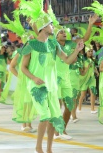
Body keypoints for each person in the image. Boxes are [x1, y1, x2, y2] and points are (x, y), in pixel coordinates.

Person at [21, 13, 84, 153]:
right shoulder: (31, 45)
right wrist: (33, 78)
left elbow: (67, 60)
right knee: (45, 115)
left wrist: (77, 50)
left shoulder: (53, 44)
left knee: (54, 117)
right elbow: (23, 67)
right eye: (50, 24)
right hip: (37, 87)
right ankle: (38, 147)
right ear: (44, 28)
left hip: (52, 86)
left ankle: (49, 149)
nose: (53, 27)